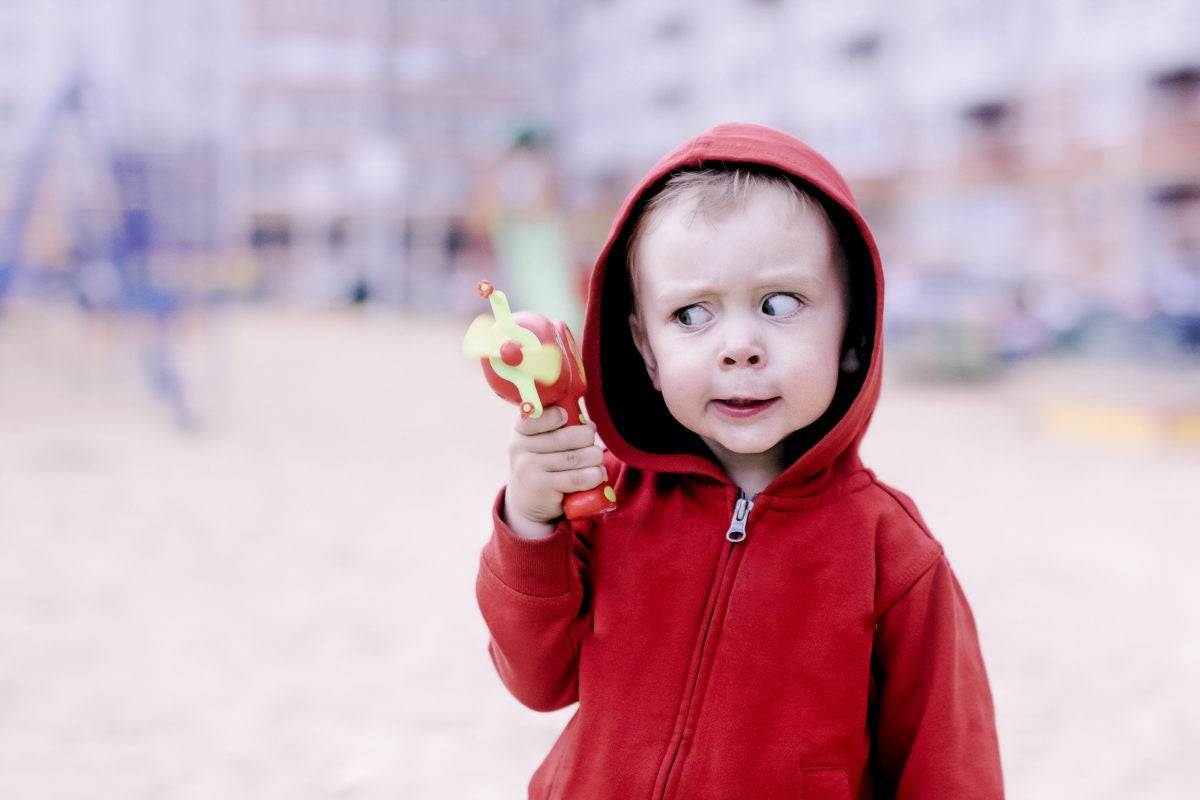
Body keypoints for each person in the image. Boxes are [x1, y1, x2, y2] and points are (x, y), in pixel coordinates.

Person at [475, 123, 1004, 799]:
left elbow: (949, 767)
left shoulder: (891, 550)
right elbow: (536, 680)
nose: (739, 346)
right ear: (645, 349)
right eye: (692, 314)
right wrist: (530, 522)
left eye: (780, 304)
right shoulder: (601, 500)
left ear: (853, 331)